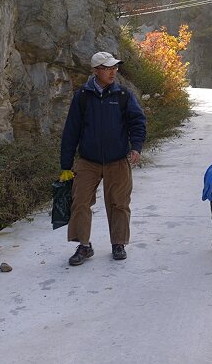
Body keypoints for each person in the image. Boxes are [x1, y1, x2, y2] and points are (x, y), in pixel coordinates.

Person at [59, 51, 147, 266]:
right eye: (108, 68)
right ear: (96, 71)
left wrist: (136, 147)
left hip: (117, 160)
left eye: (115, 68)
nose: (113, 72)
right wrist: (66, 165)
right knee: (80, 202)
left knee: (119, 203)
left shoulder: (123, 95)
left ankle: (118, 243)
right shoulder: (82, 96)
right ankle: (84, 246)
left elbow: (138, 122)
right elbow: (71, 131)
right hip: (88, 161)